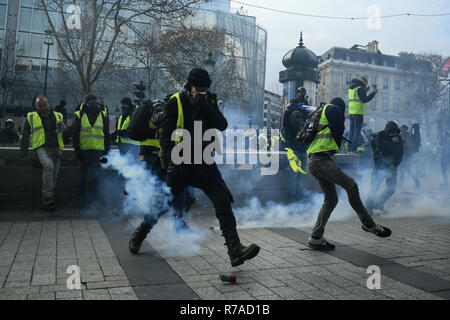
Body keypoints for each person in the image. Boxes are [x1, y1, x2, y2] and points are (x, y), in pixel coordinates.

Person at [129, 68, 260, 267]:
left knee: (223, 200)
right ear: (190, 86)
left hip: (205, 163)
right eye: (199, 89)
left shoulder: (210, 101)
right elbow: (166, 134)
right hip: (181, 164)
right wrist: (171, 157)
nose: (202, 92)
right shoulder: (174, 102)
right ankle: (139, 234)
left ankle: (235, 251)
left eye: (206, 89)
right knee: (162, 204)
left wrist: (205, 104)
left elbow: (222, 124)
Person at [306, 97, 391, 250]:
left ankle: (316, 238)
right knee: (351, 185)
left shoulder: (320, 111)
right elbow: (339, 131)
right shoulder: (334, 109)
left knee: (331, 199)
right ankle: (368, 224)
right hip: (321, 160)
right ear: (341, 108)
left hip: (313, 161)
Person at [20, 96, 66, 211]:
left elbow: (66, 133)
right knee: (49, 166)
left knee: (54, 173)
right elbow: (25, 135)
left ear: (48, 104)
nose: (42, 108)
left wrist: (65, 128)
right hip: (41, 147)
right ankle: (47, 198)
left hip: (56, 148)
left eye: (44, 105)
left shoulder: (58, 116)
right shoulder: (31, 117)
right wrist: (23, 153)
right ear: (36, 107)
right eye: (40, 106)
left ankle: (49, 197)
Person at [72, 94, 110, 208]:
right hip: (84, 151)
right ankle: (81, 200)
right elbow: (75, 134)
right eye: (92, 101)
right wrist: (77, 150)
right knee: (82, 177)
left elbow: (106, 133)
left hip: (98, 150)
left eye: (96, 101)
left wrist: (106, 149)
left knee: (96, 177)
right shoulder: (79, 114)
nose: (95, 103)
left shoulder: (103, 114)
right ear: (87, 102)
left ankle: (96, 199)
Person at [366, 121, 404, 215]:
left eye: (395, 133)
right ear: (387, 131)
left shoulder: (398, 139)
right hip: (379, 166)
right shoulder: (379, 136)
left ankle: (379, 203)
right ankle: (368, 208)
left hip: (391, 167)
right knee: (374, 187)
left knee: (392, 188)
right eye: (391, 133)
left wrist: (395, 165)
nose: (393, 135)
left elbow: (400, 154)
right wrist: (391, 141)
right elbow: (380, 148)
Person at [348, 77, 378, 155]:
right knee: (357, 132)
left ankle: (349, 150)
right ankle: (353, 150)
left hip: (351, 112)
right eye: (366, 83)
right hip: (358, 112)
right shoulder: (360, 88)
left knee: (351, 132)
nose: (366, 84)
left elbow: (357, 96)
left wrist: (365, 91)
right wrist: (373, 93)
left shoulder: (352, 87)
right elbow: (364, 99)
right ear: (363, 82)